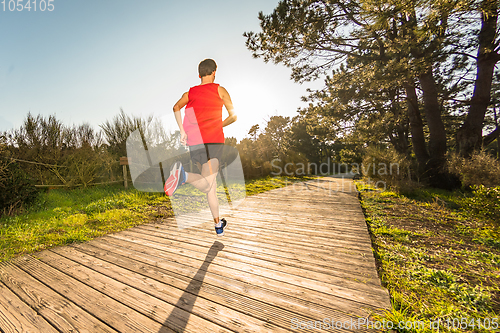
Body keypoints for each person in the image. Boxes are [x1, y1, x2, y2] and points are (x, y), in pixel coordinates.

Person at [164, 59, 237, 236]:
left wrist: (182, 132)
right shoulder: (220, 90)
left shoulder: (191, 92)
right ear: (214, 72)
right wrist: (219, 124)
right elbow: (233, 116)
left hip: (195, 142)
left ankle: (218, 225)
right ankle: (183, 176)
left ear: (199, 75)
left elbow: (176, 107)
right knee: (207, 185)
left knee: (209, 186)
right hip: (213, 141)